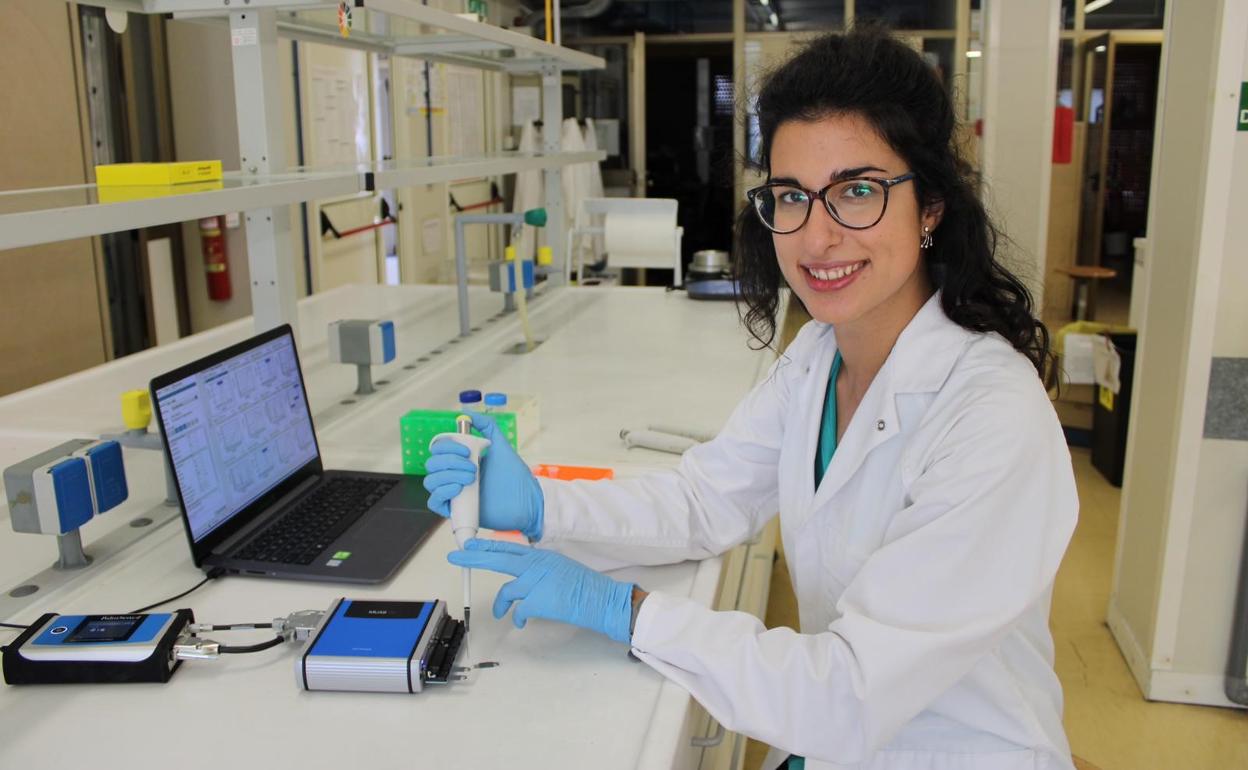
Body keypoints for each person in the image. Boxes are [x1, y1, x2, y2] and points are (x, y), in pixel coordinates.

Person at [425, 26, 1078, 770]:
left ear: (930, 207)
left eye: (858, 191)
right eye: (791, 196)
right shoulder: (818, 358)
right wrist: (545, 506)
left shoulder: (992, 417)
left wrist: (624, 611)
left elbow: (848, 696)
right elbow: (705, 501)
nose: (818, 236)